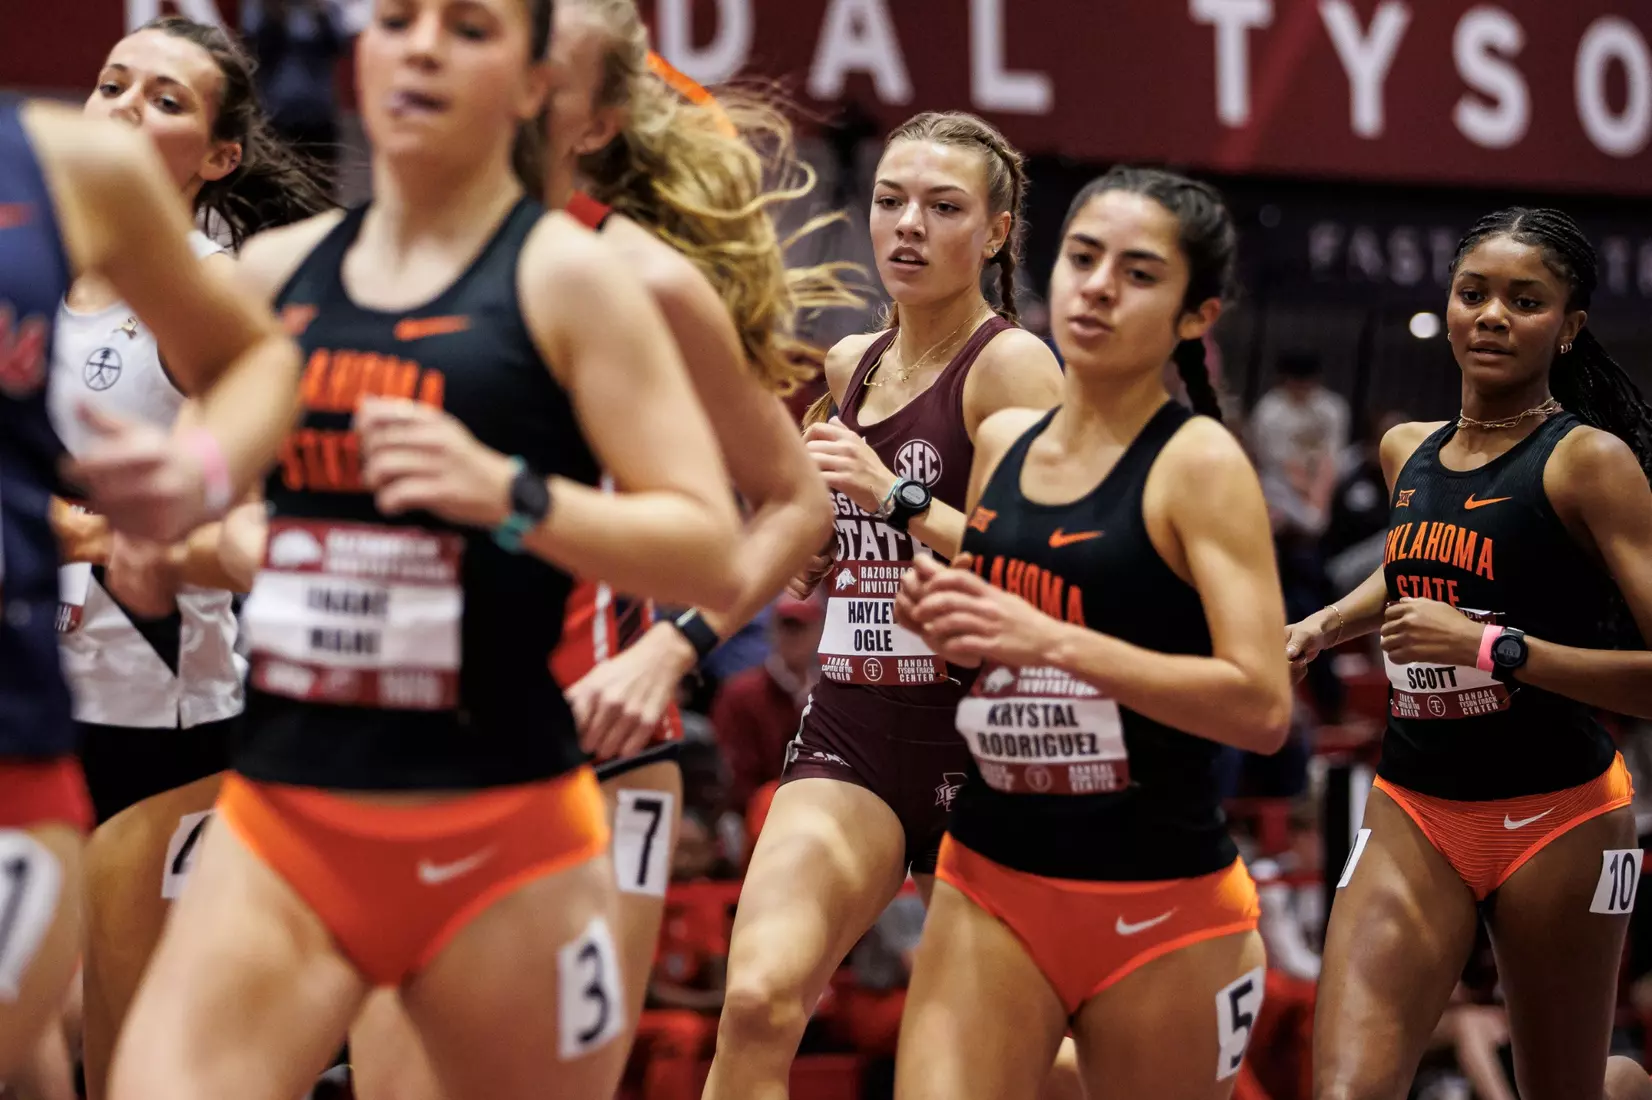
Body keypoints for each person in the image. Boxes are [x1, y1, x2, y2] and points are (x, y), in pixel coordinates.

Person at [103, 0, 742, 1097]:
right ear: (361, 59)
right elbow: (220, 514)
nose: (425, 47)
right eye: (397, 19)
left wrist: (508, 494)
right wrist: (173, 522)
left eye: (472, 28)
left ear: (535, 84)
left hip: (500, 826)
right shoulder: (270, 279)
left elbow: (708, 551)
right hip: (283, 813)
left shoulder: (577, 280)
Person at [340, 4, 859, 1096]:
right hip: (412, 746)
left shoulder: (640, 280)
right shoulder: (366, 259)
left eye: (541, 72)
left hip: (600, 752)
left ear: (593, 122)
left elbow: (794, 502)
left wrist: (670, 650)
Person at [892, 165, 1291, 1099]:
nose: (1099, 285)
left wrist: (1048, 640)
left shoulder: (1199, 464)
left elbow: (1262, 707)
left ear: (1197, 316)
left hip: (1159, 902)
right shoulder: (1003, 444)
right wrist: (949, 625)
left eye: (1140, 272)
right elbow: (995, 659)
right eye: (1082, 257)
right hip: (989, 874)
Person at [703, 110, 1067, 1100]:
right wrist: (819, 541)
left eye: (941, 206)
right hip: (854, 729)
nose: (906, 223)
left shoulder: (1014, 368)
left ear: (993, 232)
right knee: (756, 1001)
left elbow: (1045, 561)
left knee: (1020, 1066)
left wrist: (889, 495)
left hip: (988, 747)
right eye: (889, 200)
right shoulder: (847, 366)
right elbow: (837, 515)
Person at [1286, 208, 1652, 1100]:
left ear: (1567, 328)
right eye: (1473, 293)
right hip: (1417, 806)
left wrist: (1495, 647)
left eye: (1525, 301)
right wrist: (1323, 626)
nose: (1492, 315)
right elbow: (1417, 562)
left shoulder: (1587, 464)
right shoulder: (1406, 451)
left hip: (1560, 817)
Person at [43, 21, 333, 1098]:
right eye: (111, 81)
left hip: (163, 722)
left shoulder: (214, 298)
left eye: (165, 99)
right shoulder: (30, 263)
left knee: (137, 1065)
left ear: (219, 157)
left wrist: (71, 529)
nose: (122, 105)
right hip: (36, 695)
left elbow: (258, 536)